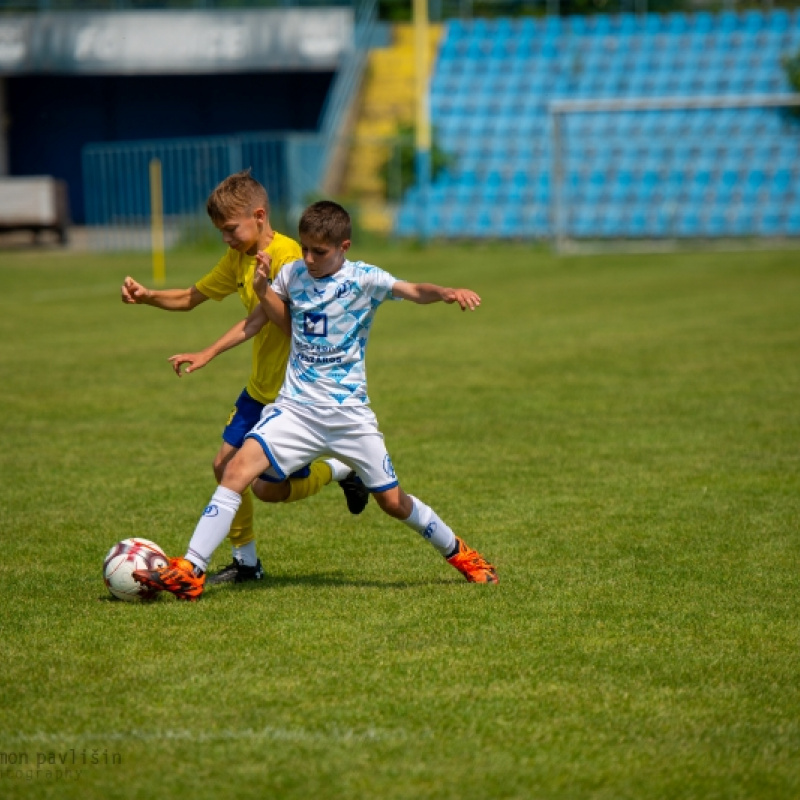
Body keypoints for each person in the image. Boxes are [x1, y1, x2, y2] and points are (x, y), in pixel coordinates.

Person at [134, 199, 498, 601]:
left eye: (319, 251)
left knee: (393, 503)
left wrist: (446, 291)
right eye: (305, 248)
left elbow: (412, 289)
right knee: (235, 471)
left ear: (344, 245)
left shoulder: (364, 279)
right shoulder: (291, 274)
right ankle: (191, 569)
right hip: (295, 410)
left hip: (349, 417)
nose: (308, 258)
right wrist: (260, 290)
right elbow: (264, 319)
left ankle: (463, 555)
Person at [120, 172, 367, 585]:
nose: (226, 239)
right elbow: (189, 297)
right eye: (220, 232)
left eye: (230, 229)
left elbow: (293, 328)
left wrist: (215, 345)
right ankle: (246, 563)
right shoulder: (239, 257)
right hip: (260, 387)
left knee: (268, 489)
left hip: (298, 396)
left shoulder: (294, 258)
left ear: (258, 215)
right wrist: (148, 297)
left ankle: (341, 471)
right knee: (225, 466)